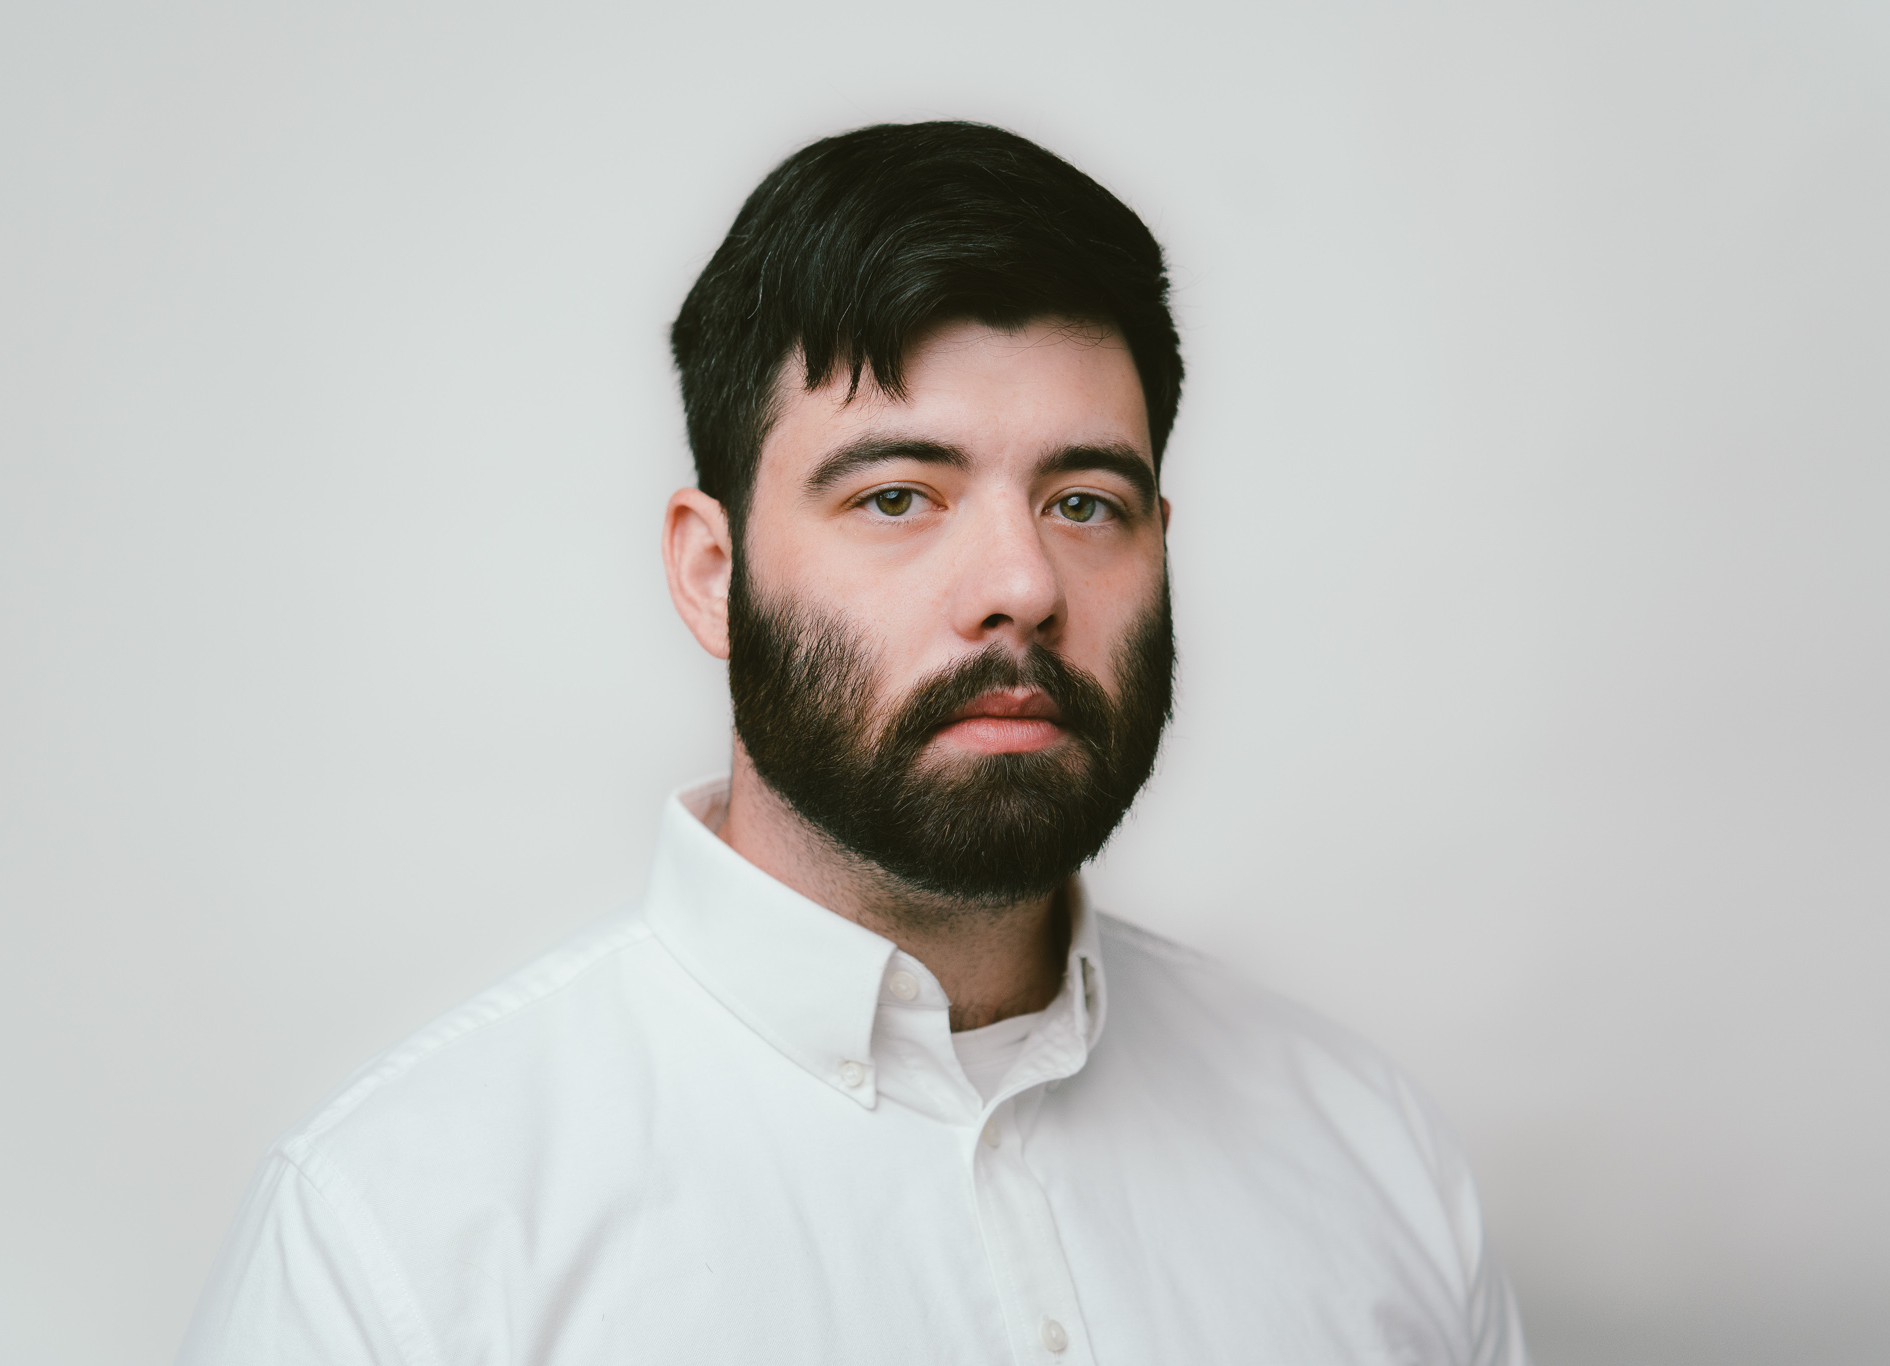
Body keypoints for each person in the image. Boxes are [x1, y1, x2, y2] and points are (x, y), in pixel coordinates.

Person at [177, 120, 1527, 1366]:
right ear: (713, 574)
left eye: (1084, 501)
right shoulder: (400, 1243)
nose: (1023, 585)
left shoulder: (1373, 1161)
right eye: (896, 496)